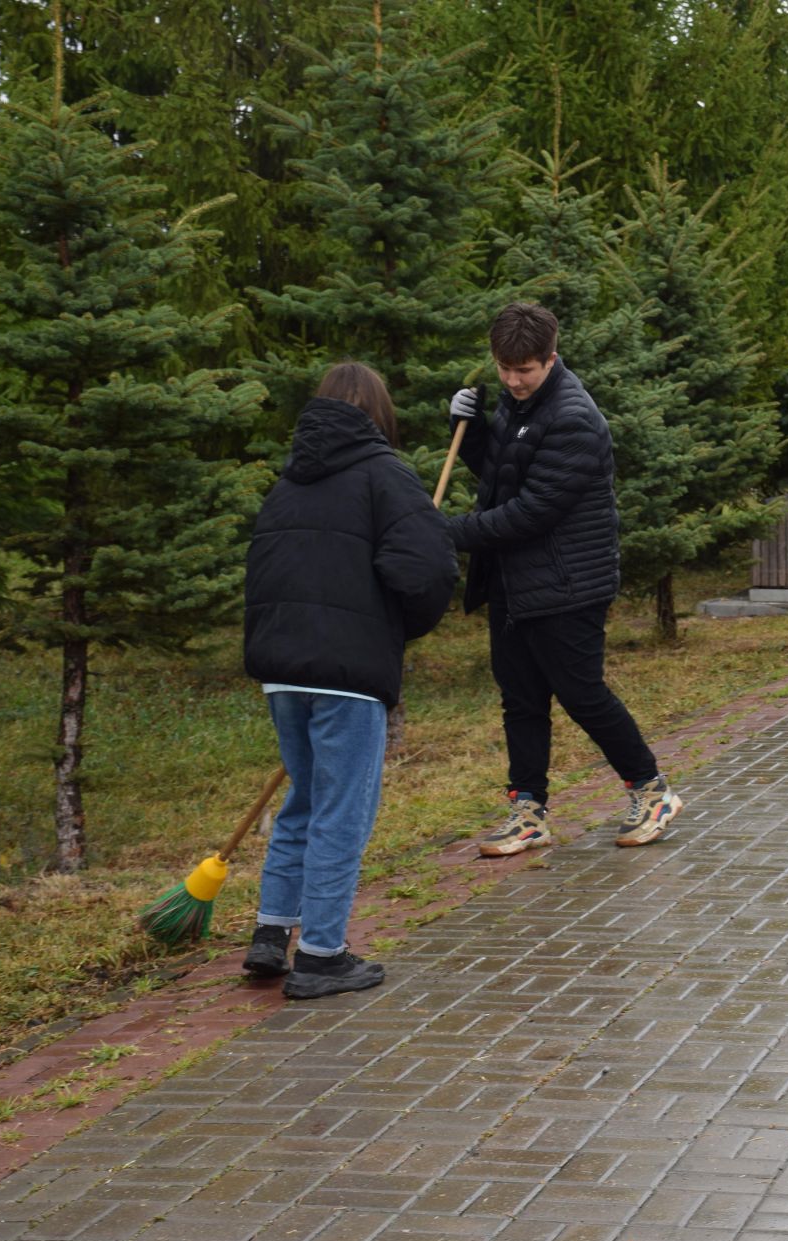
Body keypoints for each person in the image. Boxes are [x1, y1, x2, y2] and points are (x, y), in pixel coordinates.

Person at [241, 363, 456, 999]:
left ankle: (270, 933)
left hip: (282, 673)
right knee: (341, 811)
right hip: (348, 675)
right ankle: (321, 957)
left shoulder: (287, 484)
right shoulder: (385, 476)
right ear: (379, 414)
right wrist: (397, 628)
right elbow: (426, 570)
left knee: (305, 800)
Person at [447, 303, 682, 853]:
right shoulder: (515, 402)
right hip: (515, 580)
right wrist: (474, 429)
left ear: (551, 358)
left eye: (524, 370)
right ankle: (527, 811)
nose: (512, 380)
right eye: (503, 369)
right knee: (520, 698)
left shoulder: (574, 417)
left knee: (581, 693)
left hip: (568, 581)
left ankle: (653, 791)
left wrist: (446, 532)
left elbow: (531, 511)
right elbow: (502, 473)